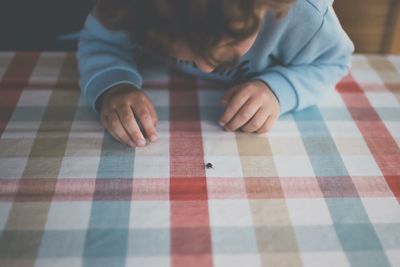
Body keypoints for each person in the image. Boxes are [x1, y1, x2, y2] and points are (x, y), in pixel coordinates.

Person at [78, 0, 354, 147]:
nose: (206, 67)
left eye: (229, 44)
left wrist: (280, 89)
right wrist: (114, 85)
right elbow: (102, 42)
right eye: (181, 50)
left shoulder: (303, 14)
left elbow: (333, 63)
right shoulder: (135, 7)